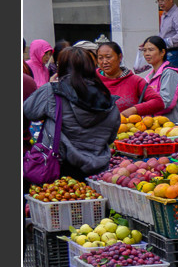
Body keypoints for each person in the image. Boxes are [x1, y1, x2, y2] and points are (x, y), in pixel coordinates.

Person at [23, 45, 121, 182]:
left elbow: (29, 112)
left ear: (61, 67)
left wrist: (50, 85)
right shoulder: (106, 97)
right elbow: (111, 137)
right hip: (98, 172)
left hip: (59, 169)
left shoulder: (52, 91)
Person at [95, 41, 165, 118]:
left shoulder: (135, 81)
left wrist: (134, 110)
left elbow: (158, 102)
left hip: (128, 128)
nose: (104, 62)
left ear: (120, 57)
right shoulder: (92, 81)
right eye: (100, 58)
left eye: (108, 57)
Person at [139, 35, 178, 125]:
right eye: (144, 50)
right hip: (153, 125)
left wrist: (141, 108)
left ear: (162, 52)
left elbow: (166, 102)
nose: (147, 53)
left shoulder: (170, 73)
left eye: (151, 50)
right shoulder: (149, 77)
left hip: (170, 126)